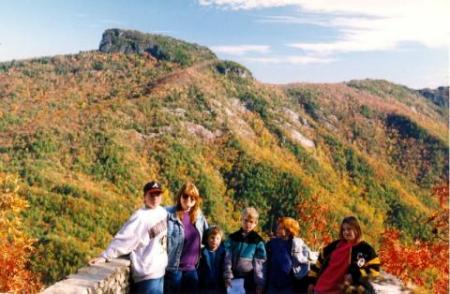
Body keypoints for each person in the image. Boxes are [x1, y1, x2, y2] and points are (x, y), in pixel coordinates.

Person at [89, 181, 168, 294]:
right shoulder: (140, 217)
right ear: (144, 197)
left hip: (160, 271)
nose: (155, 198)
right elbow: (124, 239)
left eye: (158, 194)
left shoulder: (162, 212)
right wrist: (106, 256)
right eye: (152, 194)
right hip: (147, 276)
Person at [307, 216, 381, 294]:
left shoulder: (366, 249)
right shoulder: (335, 245)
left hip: (343, 291)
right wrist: (311, 282)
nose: (346, 232)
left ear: (357, 229)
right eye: (343, 230)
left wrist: (354, 275)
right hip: (320, 289)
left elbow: (374, 271)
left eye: (349, 229)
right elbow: (318, 264)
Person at [165, 181, 209, 293]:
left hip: (192, 270)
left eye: (192, 198)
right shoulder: (169, 214)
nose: (188, 200)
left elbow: (207, 237)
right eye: (185, 196)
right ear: (180, 196)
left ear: (196, 200)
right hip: (174, 270)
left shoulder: (199, 217)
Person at [224, 207, 266, 294]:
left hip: (249, 280)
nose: (248, 224)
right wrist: (227, 276)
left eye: (251, 222)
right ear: (241, 220)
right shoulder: (232, 238)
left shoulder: (258, 241)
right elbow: (227, 259)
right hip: (233, 278)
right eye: (245, 220)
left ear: (255, 223)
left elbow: (260, 265)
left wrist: (260, 283)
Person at [265, 217, 311, 293]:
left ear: (289, 230)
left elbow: (304, 259)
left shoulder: (296, 244)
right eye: (278, 228)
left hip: (288, 285)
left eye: (280, 228)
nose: (277, 230)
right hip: (272, 284)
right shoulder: (272, 243)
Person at [198, 226, 227, 293]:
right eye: (212, 238)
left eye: (217, 238)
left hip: (219, 286)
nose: (214, 241)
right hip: (205, 286)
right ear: (207, 238)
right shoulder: (202, 252)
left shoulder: (224, 253)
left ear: (221, 240)